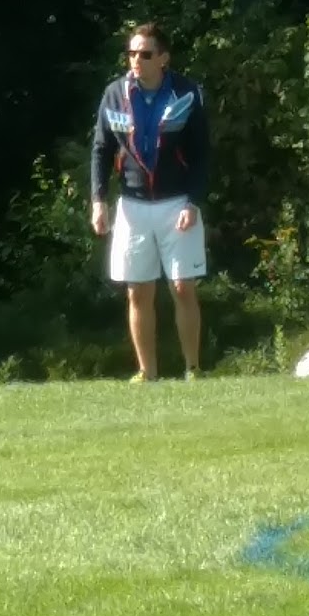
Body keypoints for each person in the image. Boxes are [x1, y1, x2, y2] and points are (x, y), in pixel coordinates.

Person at [89, 20, 210, 383]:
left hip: (178, 203)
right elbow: (101, 149)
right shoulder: (114, 94)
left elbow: (202, 153)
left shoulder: (187, 93)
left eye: (144, 54)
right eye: (131, 53)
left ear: (163, 58)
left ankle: (192, 369)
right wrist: (98, 199)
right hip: (132, 205)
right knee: (137, 291)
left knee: (182, 286)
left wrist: (193, 201)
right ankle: (147, 372)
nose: (136, 60)